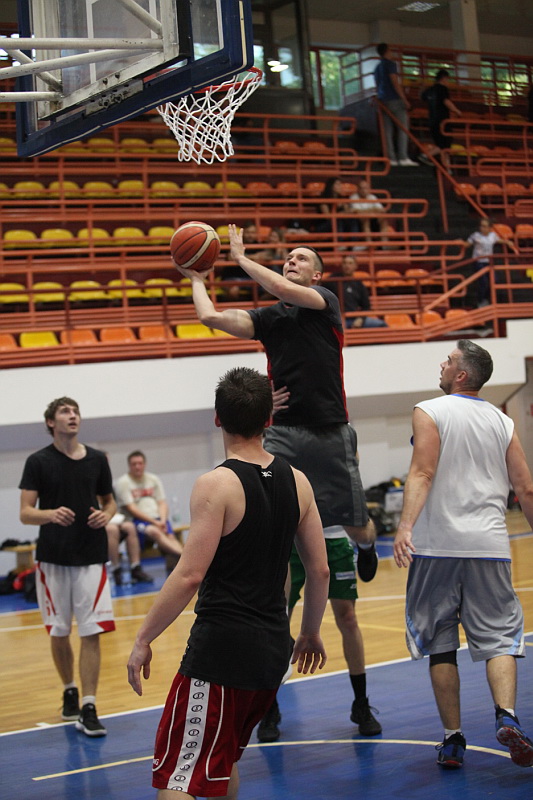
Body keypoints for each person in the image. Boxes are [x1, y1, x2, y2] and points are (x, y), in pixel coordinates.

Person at [174, 224, 381, 743]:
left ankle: (366, 547)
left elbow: (284, 288)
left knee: (356, 522)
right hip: (284, 431)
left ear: (318, 274)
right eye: (287, 256)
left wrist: (241, 258)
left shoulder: (324, 303)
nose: (292, 261)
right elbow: (211, 318)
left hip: (330, 429)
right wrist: (197, 277)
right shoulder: (270, 319)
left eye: (301, 257)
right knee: (275, 516)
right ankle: (270, 702)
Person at [127, 366, 330, 800]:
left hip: (221, 654)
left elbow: (189, 575)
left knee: (179, 776)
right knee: (222, 760)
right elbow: (319, 571)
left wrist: (144, 637)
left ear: (218, 418)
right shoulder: (298, 482)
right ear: (268, 419)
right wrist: (310, 631)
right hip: (272, 653)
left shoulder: (215, 484)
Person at [393, 340, 533, 770]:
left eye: (450, 360)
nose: (443, 363)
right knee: (499, 638)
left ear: (462, 375)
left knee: (440, 644)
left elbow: (422, 471)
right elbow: (525, 488)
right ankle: (506, 716)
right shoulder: (502, 421)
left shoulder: (429, 410)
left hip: (436, 546)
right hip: (489, 546)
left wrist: (405, 526)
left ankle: (453, 739)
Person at [19, 396, 116, 737]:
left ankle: (89, 706)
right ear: (51, 422)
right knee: (59, 632)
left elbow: (110, 501)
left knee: (91, 631)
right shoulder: (38, 461)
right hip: (53, 558)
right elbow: (25, 512)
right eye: (65, 411)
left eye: (76, 411)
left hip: (91, 555)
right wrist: (50, 514)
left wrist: (107, 515)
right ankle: (69, 690)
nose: (72, 415)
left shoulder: (97, 459)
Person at [114, 451, 184, 574]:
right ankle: (187, 558)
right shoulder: (123, 483)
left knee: (170, 536)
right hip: (137, 521)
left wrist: (163, 520)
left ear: (144, 464)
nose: (137, 467)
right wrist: (154, 523)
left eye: (140, 463)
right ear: (129, 466)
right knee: (154, 532)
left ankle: (180, 565)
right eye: (134, 464)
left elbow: (162, 502)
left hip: (158, 518)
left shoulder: (153, 479)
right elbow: (131, 509)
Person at [374, 43, 418, 167]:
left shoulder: (377, 67)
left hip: (383, 100)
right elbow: (394, 82)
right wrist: (404, 100)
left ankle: (391, 158)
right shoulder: (391, 64)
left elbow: (377, 85)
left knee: (387, 131)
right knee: (403, 128)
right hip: (394, 99)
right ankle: (403, 157)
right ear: (387, 51)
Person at [462, 217, 517, 306]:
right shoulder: (475, 235)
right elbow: (467, 244)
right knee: (483, 282)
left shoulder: (493, 235)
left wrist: (507, 242)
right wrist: (460, 242)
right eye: (481, 226)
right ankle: (481, 301)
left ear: (490, 228)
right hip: (478, 262)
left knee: (494, 280)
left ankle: (488, 298)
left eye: (485, 226)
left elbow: (498, 240)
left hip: (488, 262)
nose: (482, 228)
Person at [325, 254, 387, 328]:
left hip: (354, 318)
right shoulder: (332, 280)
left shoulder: (359, 284)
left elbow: (366, 306)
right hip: (337, 319)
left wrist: (360, 319)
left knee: (381, 324)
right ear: (342, 265)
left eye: (350, 263)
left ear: (355, 266)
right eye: (345, 263)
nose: (347, 266)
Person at [420, 69, 461, 171]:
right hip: (442, 121)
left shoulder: (430, 90)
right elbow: (446, 101)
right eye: (447, 79)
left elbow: (422, 96)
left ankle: (447, 169)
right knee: (444, 145)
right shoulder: (442, 89)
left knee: (443, 146)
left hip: (432, 121)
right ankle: (425, 155)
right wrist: (456, 111)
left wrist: (422, 87)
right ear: (444, 78)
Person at [106, 514, 153, 586]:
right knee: (112, 529)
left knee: (130, 527)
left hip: (114, 517)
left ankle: (135, 567)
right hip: (103, 522)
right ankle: (116, 569)